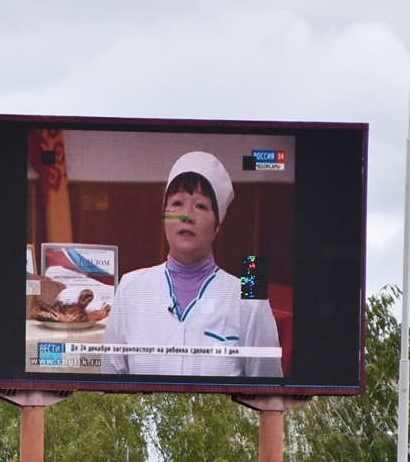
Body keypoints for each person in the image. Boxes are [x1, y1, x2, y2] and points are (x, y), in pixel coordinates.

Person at [99, 151, 281, 379]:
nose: (186, 216)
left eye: (201, 206)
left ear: (217, 225)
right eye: (177, 203)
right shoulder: (131, 286)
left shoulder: (250, 295)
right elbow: (109, 384)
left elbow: (267, 392)